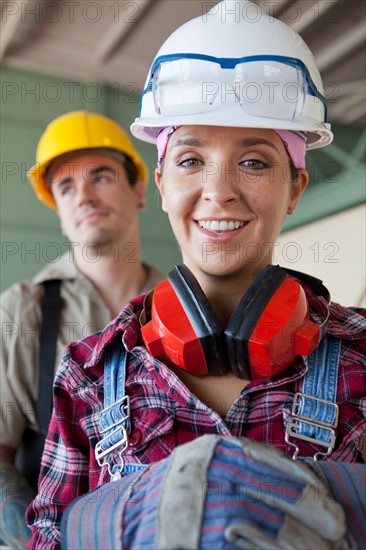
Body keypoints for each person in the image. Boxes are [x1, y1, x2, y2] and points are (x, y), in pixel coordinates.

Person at [27, 2, 365, 548]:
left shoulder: (361, 355)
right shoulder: (89, 375)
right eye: (190, 160)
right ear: (159, 183)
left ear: (296, 187)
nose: (219, 190)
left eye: (254, 162)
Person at [0, 110, 163, 548]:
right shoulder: (21, 311)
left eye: (101, 177)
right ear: (58, 209)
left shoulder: (184, 308)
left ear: (140, 190)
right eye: (66, 186)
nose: (84, 196)